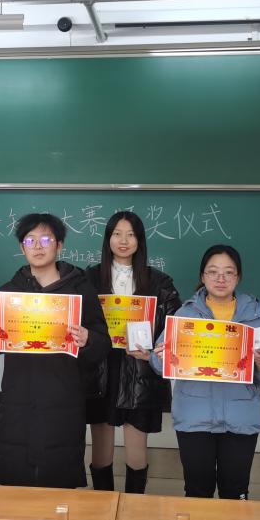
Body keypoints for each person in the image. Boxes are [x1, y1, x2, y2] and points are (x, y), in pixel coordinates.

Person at [0, 213, 110, 488]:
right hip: (18, 398)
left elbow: (102, 346)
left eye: (46, 239)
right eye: (30, 240)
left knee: (59, 480)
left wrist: (88, 338)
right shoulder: (10, 292)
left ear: (59, 245)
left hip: (63, 396)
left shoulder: (81, 291)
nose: (37, 246)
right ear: (22, 248)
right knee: (17, 479)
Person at [149, 245, 260, 499]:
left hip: (241, 418)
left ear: (238, 277)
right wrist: (161, 357)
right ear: (202, 276)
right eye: (213, 272)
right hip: (194, 418)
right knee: (197, 492)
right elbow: (159, 366)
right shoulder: (185, 315)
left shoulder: (255, 318)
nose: (220, 279)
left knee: (236, 493)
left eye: (228, 272)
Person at [84, 211, 181, 493]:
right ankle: (103, 509)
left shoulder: (159, 282)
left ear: (140, 240)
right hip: (101, 369)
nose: (123, 241)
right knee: (100, 450)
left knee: (136, 452)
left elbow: (173, 328)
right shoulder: (89, 278)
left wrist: (154, 351)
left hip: (140, 370)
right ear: (108, 239)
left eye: (130, 234)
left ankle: (134, 509)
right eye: (117, 234)